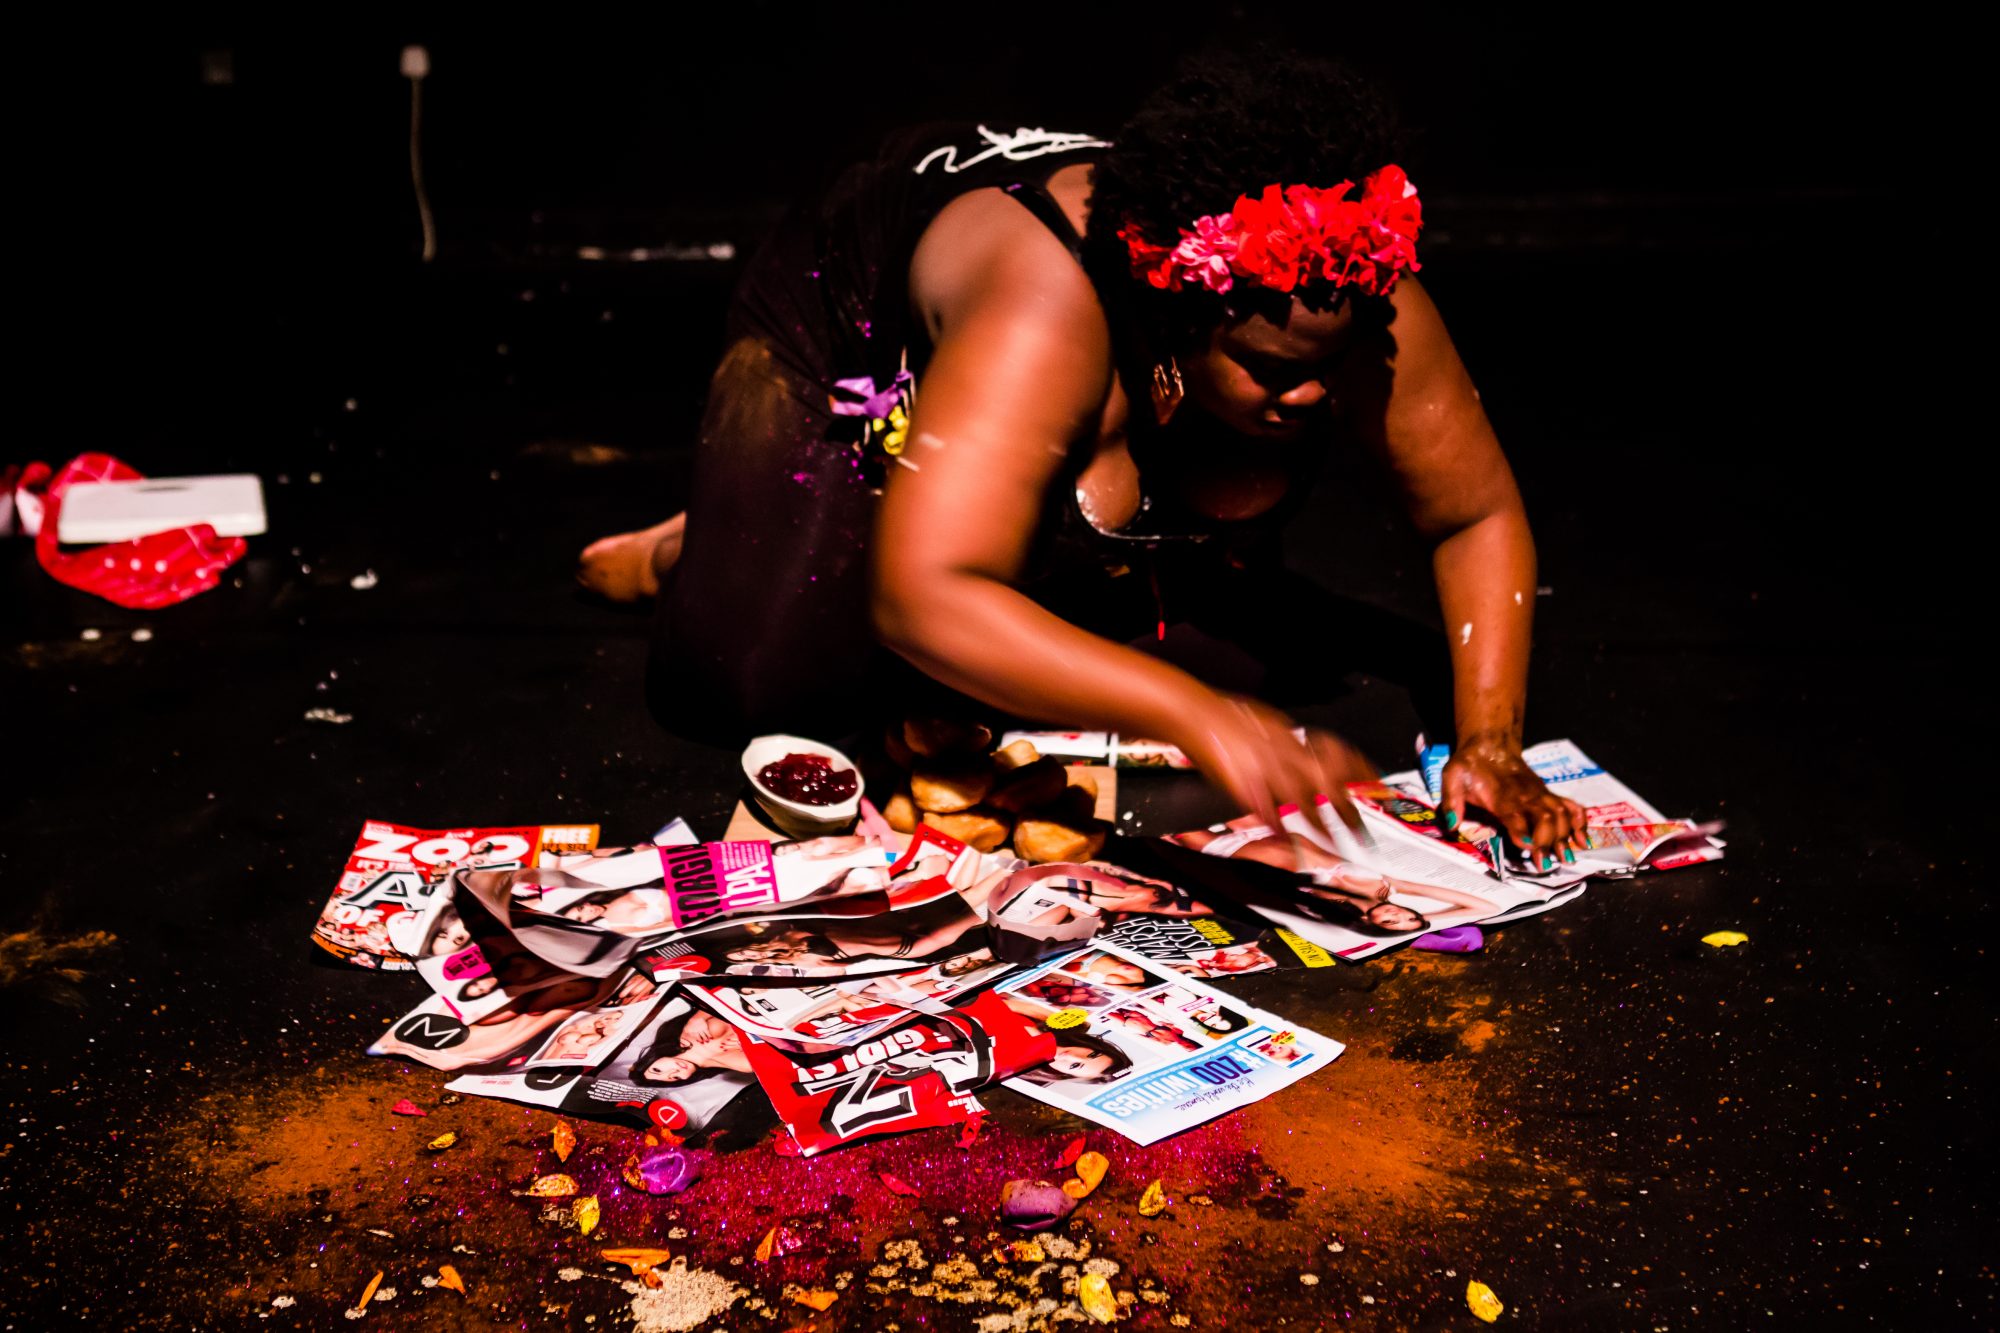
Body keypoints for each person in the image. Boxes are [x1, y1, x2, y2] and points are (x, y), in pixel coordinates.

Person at [580, 49, 1586, 867]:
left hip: (1061, 404)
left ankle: (976, 510)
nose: (1319, 395)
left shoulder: (1344, 288)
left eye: (1332, 365)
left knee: (1232, 660)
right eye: (1273, 372)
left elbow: (1475, 515)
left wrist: (1491, 740)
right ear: (1176, 320)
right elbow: (921, 600)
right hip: (843, 321)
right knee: (754, 684)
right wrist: (1192, 715)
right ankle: (721, 534)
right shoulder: (1043, 308)